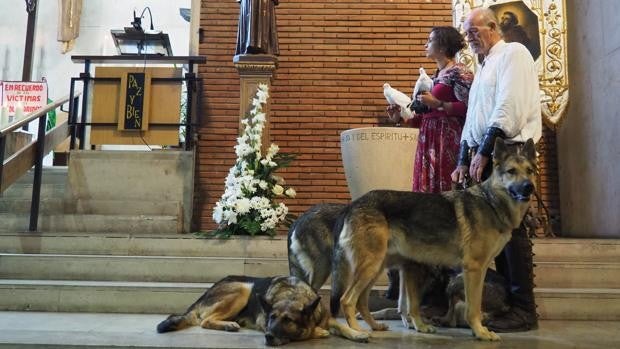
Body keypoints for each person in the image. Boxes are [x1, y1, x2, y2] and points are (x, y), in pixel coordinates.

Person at [451, 8, 542, 332]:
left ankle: (523, 309)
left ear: (493, 27)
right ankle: (504, 304)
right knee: (493, 230)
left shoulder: (514, 53)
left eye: (473, 32)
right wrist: (464, 158)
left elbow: (509, 106)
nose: (469, 39)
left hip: (511, 151)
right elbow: (473, 117)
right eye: (466, 34)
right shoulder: (486, 65)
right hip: (489, 152)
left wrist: (487, 150)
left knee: (512, 228)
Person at [384, 26, 473, 300]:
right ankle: (429, 278)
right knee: (425, 203)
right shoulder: (435, 75)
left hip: (448, 141)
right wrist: (402, 116)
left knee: (445, 200)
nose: (426, 44)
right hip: (429, 141)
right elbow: (423, 117)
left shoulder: (461, 72)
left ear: (444, 45)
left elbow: (471, 106)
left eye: (430, 40)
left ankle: (450, 275)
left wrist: (439, 104)